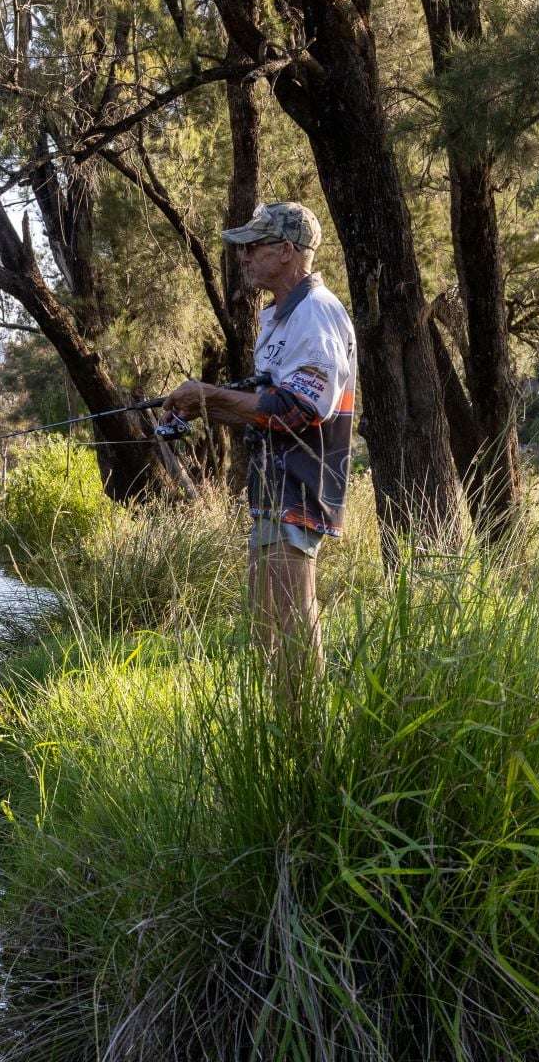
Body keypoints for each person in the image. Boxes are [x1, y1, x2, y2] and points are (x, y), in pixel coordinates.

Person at [162, 201, 356, 706]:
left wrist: (210, 397)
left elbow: (301, 409)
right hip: (272, 488)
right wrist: (200, 405)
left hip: (302, 484)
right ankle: (278, 734)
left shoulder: (316, 312)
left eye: (254, 246)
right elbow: (265, 401)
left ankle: (307, 740)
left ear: (288, 251)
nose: (242, 256)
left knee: (293, 619)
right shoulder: (279, 316)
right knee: (263, 624)